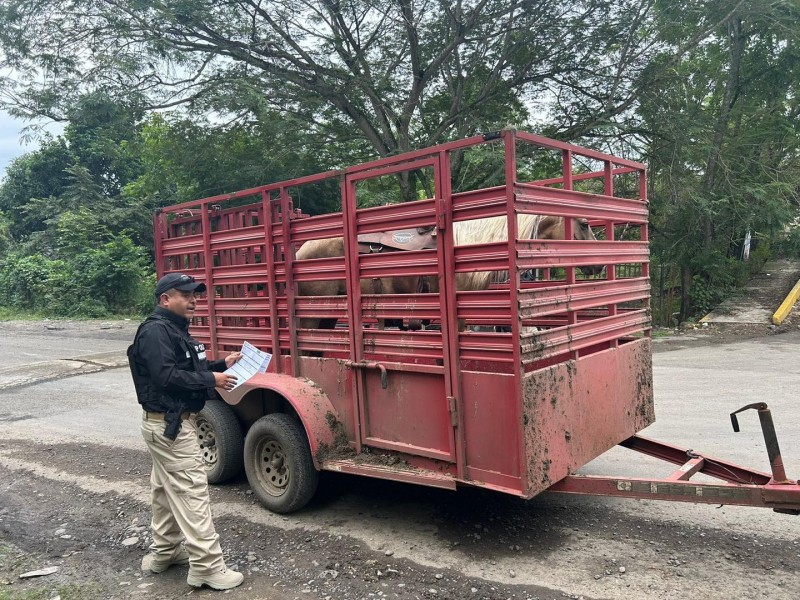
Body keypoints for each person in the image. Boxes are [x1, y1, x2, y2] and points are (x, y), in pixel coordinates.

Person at [127, 272, 244, 591]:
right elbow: (166, 377)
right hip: (171, 425)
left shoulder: (173, 331)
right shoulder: (155, 331)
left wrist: (221, 364)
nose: (194, 300)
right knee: (192, 491)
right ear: (165, 299)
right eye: (186, 294)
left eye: (196, 295)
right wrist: (212, 382)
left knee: (165, 491)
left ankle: (165, 553)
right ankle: (207, 567)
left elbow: (185, 369)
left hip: (166, 425)